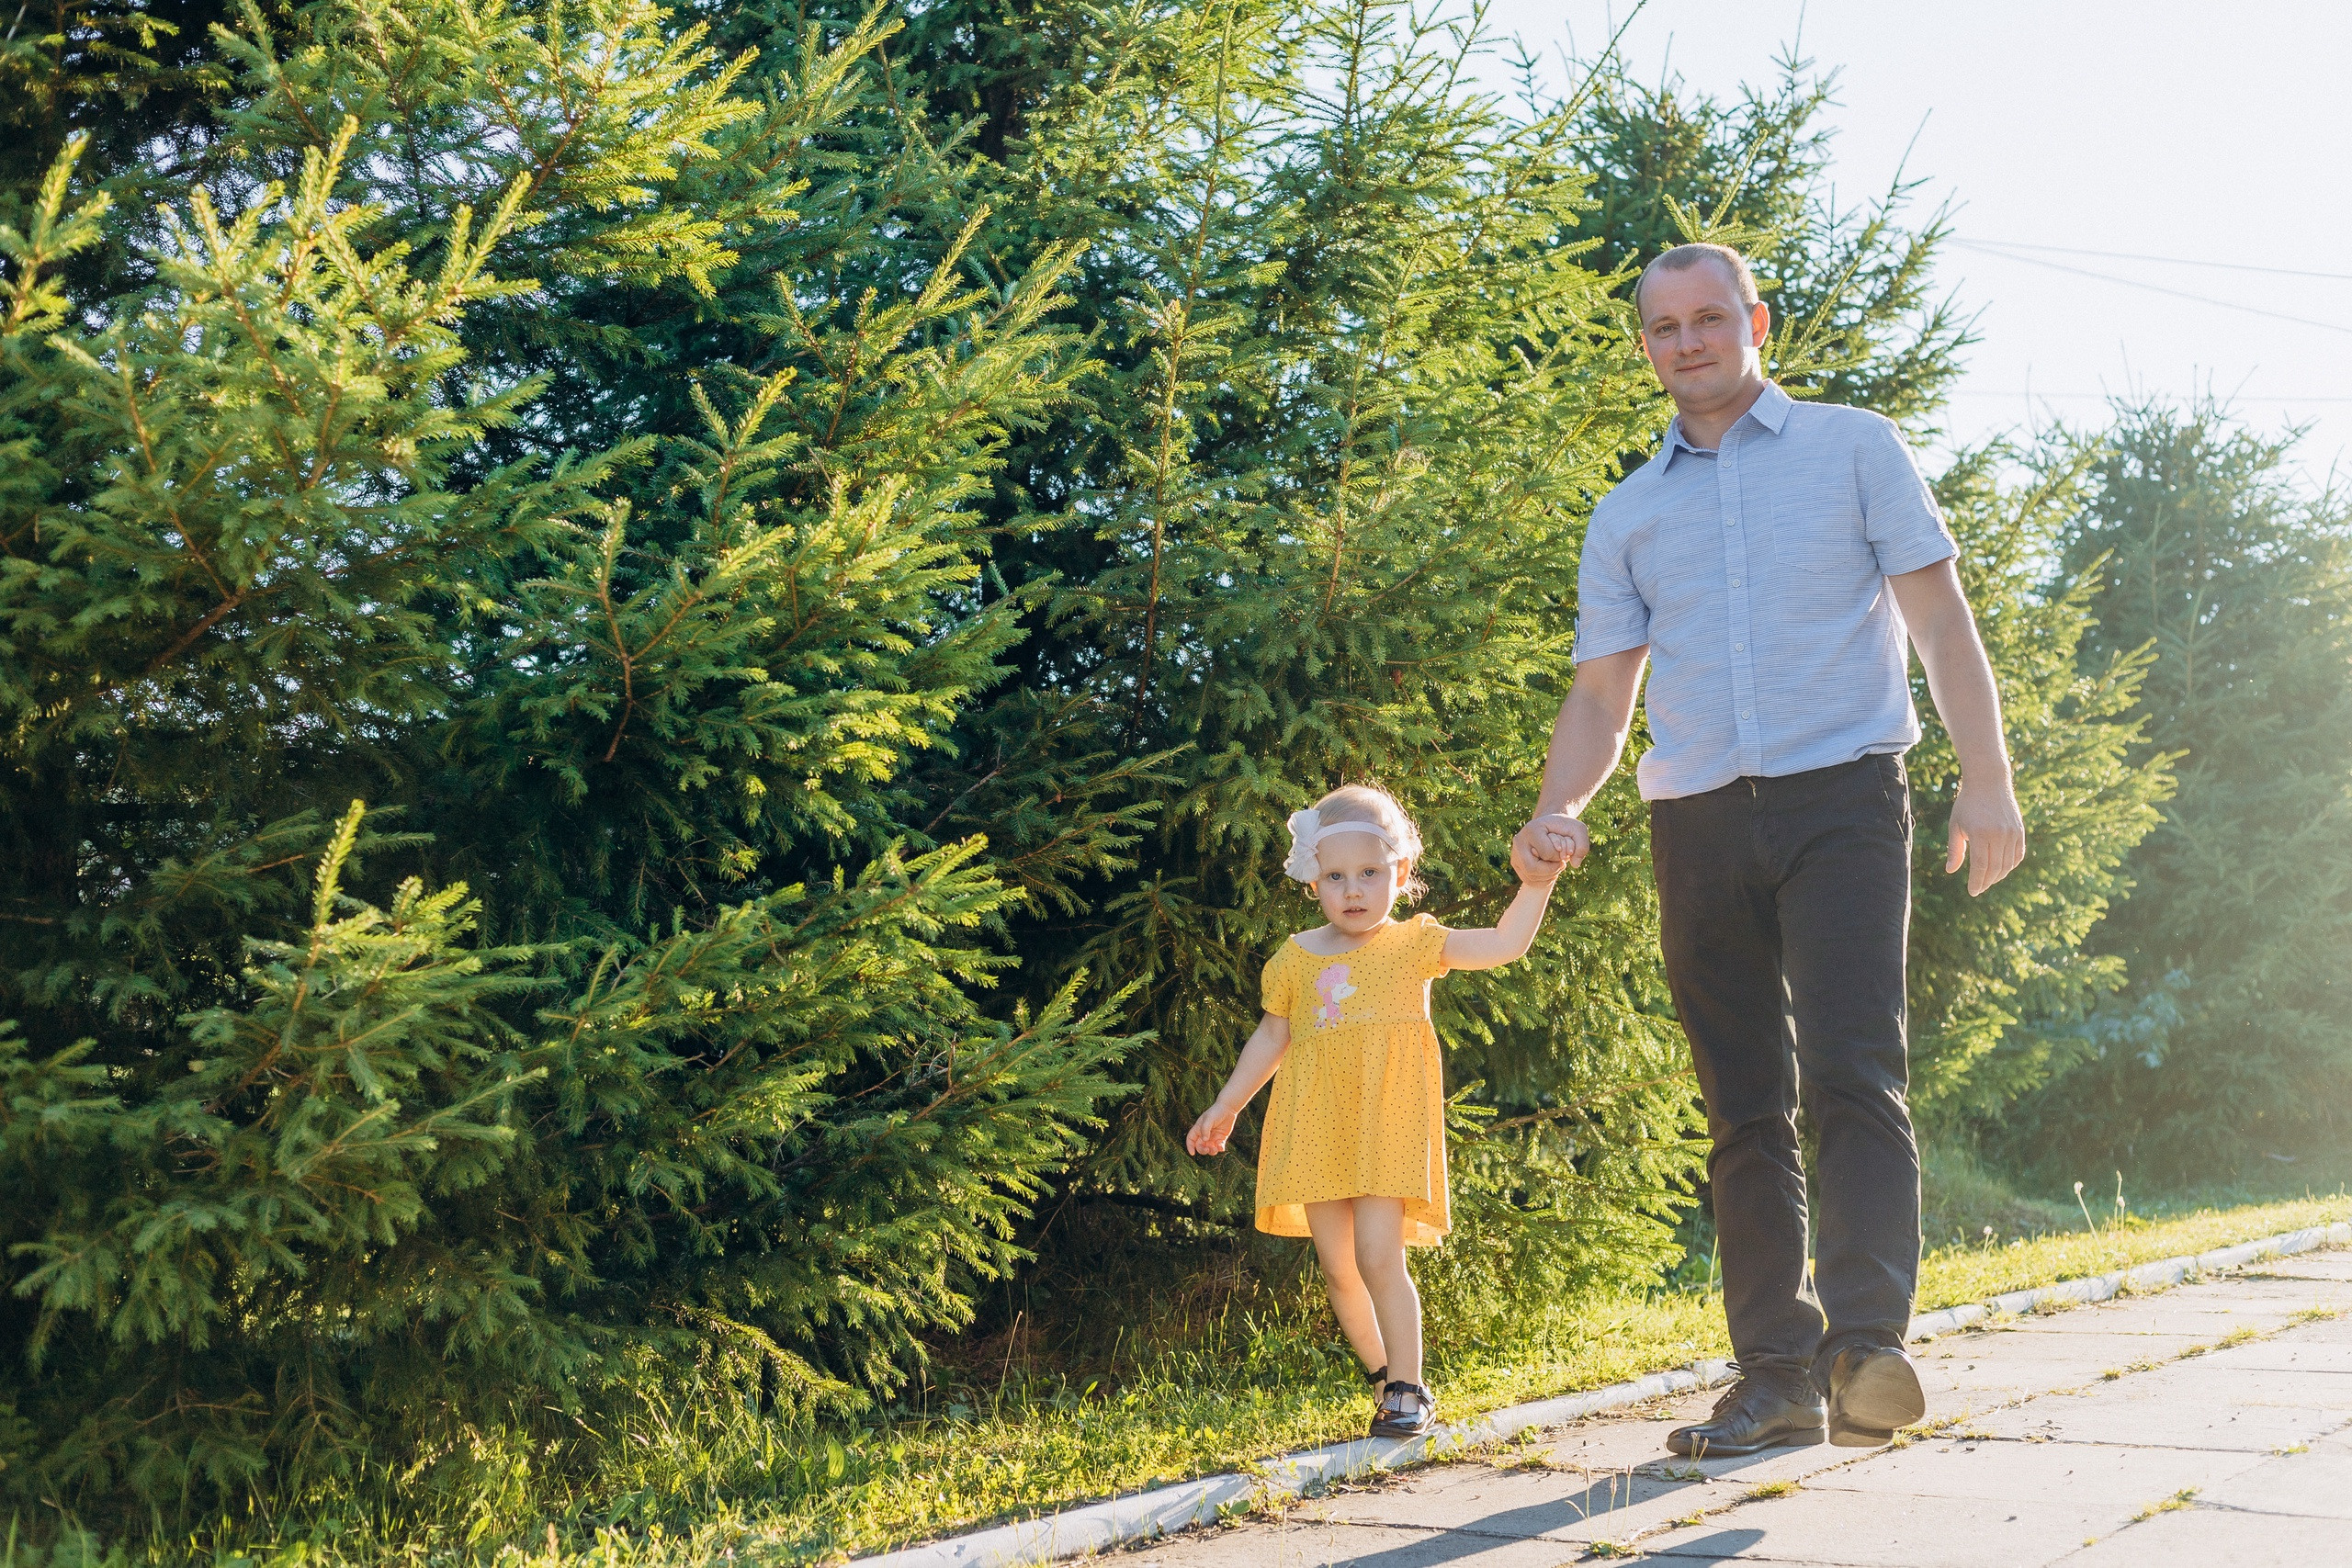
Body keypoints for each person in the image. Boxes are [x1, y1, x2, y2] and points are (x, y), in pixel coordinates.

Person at [1513, 243, 2027, 1458]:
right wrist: (1557, 803)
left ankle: (1866, 1346)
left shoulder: (1855, 448)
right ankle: (1775, 1374)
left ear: (1755, 321)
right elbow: (1601, 694)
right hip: (1694, 816)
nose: (1686, 343)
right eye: (1662, 328)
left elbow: (1940, 620)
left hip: (1844, 795)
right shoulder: (1629, 510)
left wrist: (1989, 779)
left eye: (1707, 319)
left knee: (1854, 1068)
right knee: (1741, 1102)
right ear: (1645, 344)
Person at [1188, 784, 1562, 1438]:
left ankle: (1408, 1388)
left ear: (1401, 873)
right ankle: (1384, 1375)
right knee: (1337, 1266)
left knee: (1377, 1253)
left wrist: (1537, 881)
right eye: (1335, 875)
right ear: (1312, 881)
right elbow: (1272, 1038)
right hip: (1317, 1122)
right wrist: (1227, 1104)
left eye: (1369, 872)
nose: (1352, 889)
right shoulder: (1296, 958)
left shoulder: (1414, 944)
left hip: (1387, 1121)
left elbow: (1504, 943)